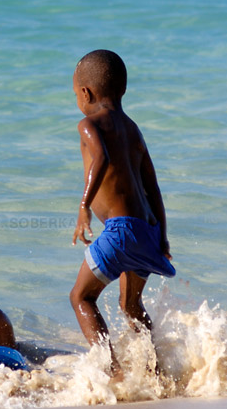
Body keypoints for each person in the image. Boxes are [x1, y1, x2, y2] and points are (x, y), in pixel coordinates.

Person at [67, 50, 175, 378]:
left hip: (121, 231)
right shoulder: (133, 130)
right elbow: (153, 187)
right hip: (148, 231)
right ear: (122, 91)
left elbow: (99, 158)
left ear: (85, 93)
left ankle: (112, 371)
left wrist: (84, 206)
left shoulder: (88, 125)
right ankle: (155, 372)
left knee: (81, 298)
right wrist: (163, 238)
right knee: (130, 306)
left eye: (75, 94)